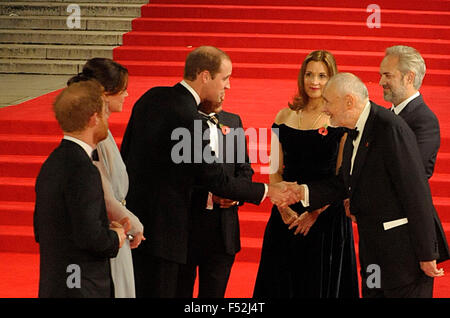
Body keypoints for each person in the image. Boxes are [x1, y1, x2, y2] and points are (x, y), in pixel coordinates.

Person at [120, 45, 300, 297]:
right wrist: (270, 190)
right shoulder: (190, 119)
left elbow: (126, 157)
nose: (227, 86)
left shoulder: (151, 98)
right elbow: (214, 178)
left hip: (140, 226)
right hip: (168, 236)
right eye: (224, 78)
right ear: (205, 76)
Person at [300, 72, 444, 298]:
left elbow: (416, 191)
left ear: (349, 101)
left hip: (403, 256)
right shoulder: (351, 132)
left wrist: (427, 254)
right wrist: (302, 192)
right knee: (372, 292)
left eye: (328, 102)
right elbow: (343, 183)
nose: (324, 108)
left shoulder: (390, 128)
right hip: (373, 253)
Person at [253, 50, 359, 298]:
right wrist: (282, 208)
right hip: (286, 216)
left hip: (325, 219)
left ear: (332, 79)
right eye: (309, 74)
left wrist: (313, 213)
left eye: (322, 76)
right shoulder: (284, 116)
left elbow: (341, 177)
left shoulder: (340, 121)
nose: (314, 81)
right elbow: (275, 169)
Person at [33, 80, 127, 297]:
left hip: (56, 282)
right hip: (81, 287)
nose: (107, 121)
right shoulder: (83, 169)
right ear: (94, 118)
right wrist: (117, 236)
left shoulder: (53, 162)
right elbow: (90, 237)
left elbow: (41, 228)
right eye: (105, 115)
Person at [67, 58, 145, 298]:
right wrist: (134, 224)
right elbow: (103, 192)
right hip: (110, 231)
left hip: (117, 228)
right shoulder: (92, 133)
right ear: (104, 92)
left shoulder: (103, 130)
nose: (127, 94)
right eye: (122, 89)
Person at [379, 45, 449, 263]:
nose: (381, 82)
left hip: (409, 233)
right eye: (381, 75)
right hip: (384, 228)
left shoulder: (424, 120)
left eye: (387, 75)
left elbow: (411, 175)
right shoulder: (384, 117)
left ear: (409, 77)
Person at [176, 99, 253, 298]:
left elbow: (244, 169)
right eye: (221, 83)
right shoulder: (182, 122)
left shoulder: (232, 121)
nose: (223, 92)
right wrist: (211, 194)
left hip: (223, 230)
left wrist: (235, 196)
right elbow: (175, 176)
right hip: (187, 227)